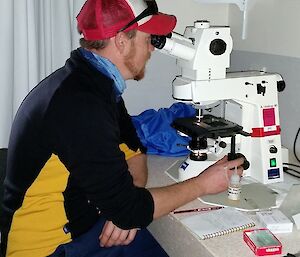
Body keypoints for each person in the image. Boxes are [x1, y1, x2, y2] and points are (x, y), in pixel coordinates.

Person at [0, 0, 245, 256]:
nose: (151, 47)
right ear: (120, 41)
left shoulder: (94, 84)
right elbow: (131, 211)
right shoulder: (79, 103)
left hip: (81, 226)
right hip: (47, 248)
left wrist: (125, 206)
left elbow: (134, 149)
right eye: (148, 38)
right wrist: (203, 184)